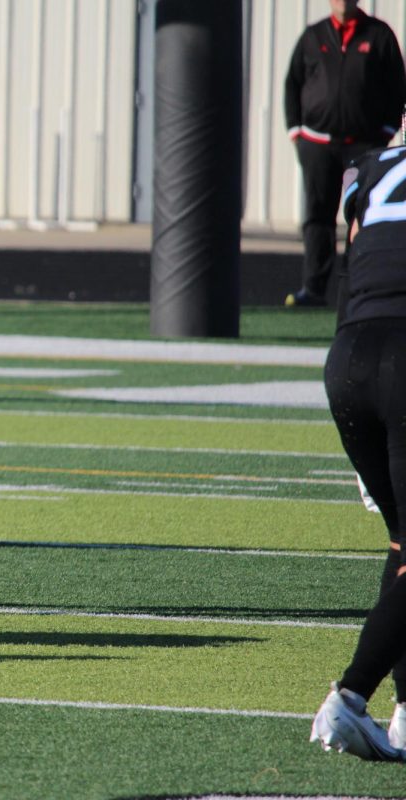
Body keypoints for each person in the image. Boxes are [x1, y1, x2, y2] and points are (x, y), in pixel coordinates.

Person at [310, 139, 406, 760]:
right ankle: (350, 697)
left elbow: (353, 262)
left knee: (403, 541)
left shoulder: (373, 167)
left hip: (347, 357)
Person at [283, 0, 406, 308]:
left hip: (363, 146)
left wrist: (386, 132)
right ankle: (313, 288)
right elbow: (293, 83)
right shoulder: (313, 37)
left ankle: (358, 287)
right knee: (318, 216)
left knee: (360, 214)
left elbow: (396, 87)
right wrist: (297, 132)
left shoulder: (378, 36)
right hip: (319, 144)